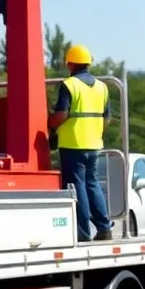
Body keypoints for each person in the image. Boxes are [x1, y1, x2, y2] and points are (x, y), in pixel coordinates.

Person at [47, 45, 114, 242]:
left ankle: (83, 233)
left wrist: (50, 126)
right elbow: (107, 118)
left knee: (78, 185)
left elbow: (61, 114)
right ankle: (104, 228)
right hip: (94, 143)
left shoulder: (69, 85)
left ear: (71, 63)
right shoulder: (102, 87)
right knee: (92, 183)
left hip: (72, 143)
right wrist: (96, 133)